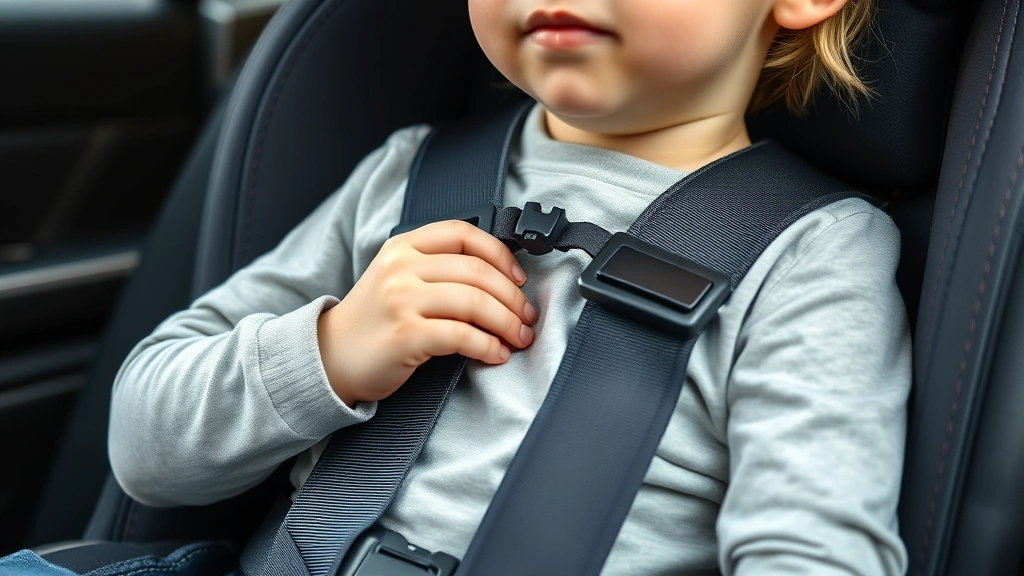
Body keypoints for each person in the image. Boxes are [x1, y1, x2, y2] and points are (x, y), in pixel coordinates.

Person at [101, 0, 911, 574]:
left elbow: (812, 554)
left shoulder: (813, 252)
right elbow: (143, 446)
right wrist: (330, 350)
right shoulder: (407, 175)